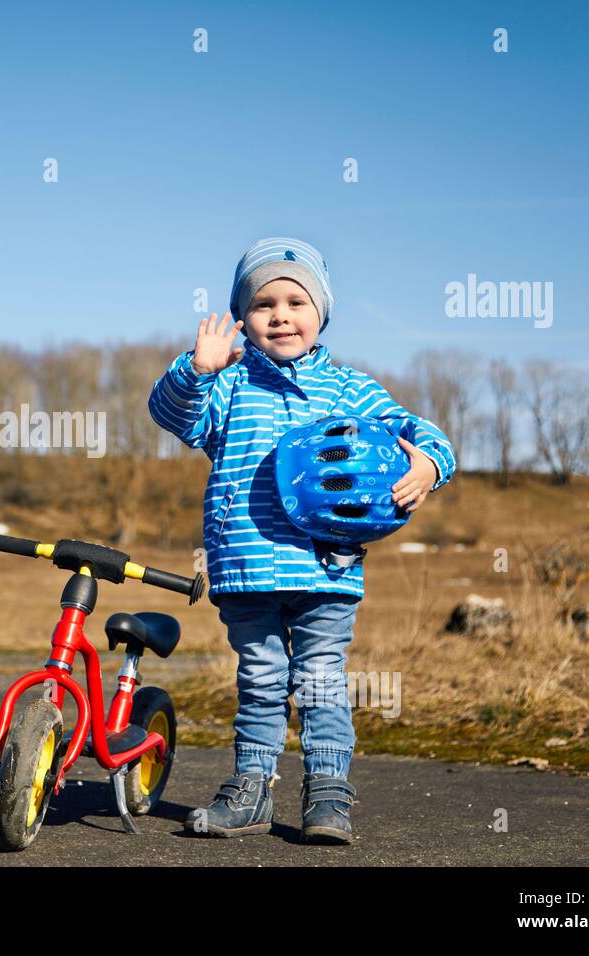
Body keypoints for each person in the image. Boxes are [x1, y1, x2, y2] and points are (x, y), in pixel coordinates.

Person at [147, 236, 457, 843]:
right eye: (264, 304)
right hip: (246, 565)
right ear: (243, 319)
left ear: (321, 314)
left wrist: (428, 465)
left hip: (327, 568)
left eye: (296, 301)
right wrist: (196, 368)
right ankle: (251, 791)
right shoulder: (228, 387)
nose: (281, 315)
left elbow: (416, 430)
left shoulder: (350, 388)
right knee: (260, 681)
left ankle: (328, 794)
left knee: (320, 680)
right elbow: (172, 415)